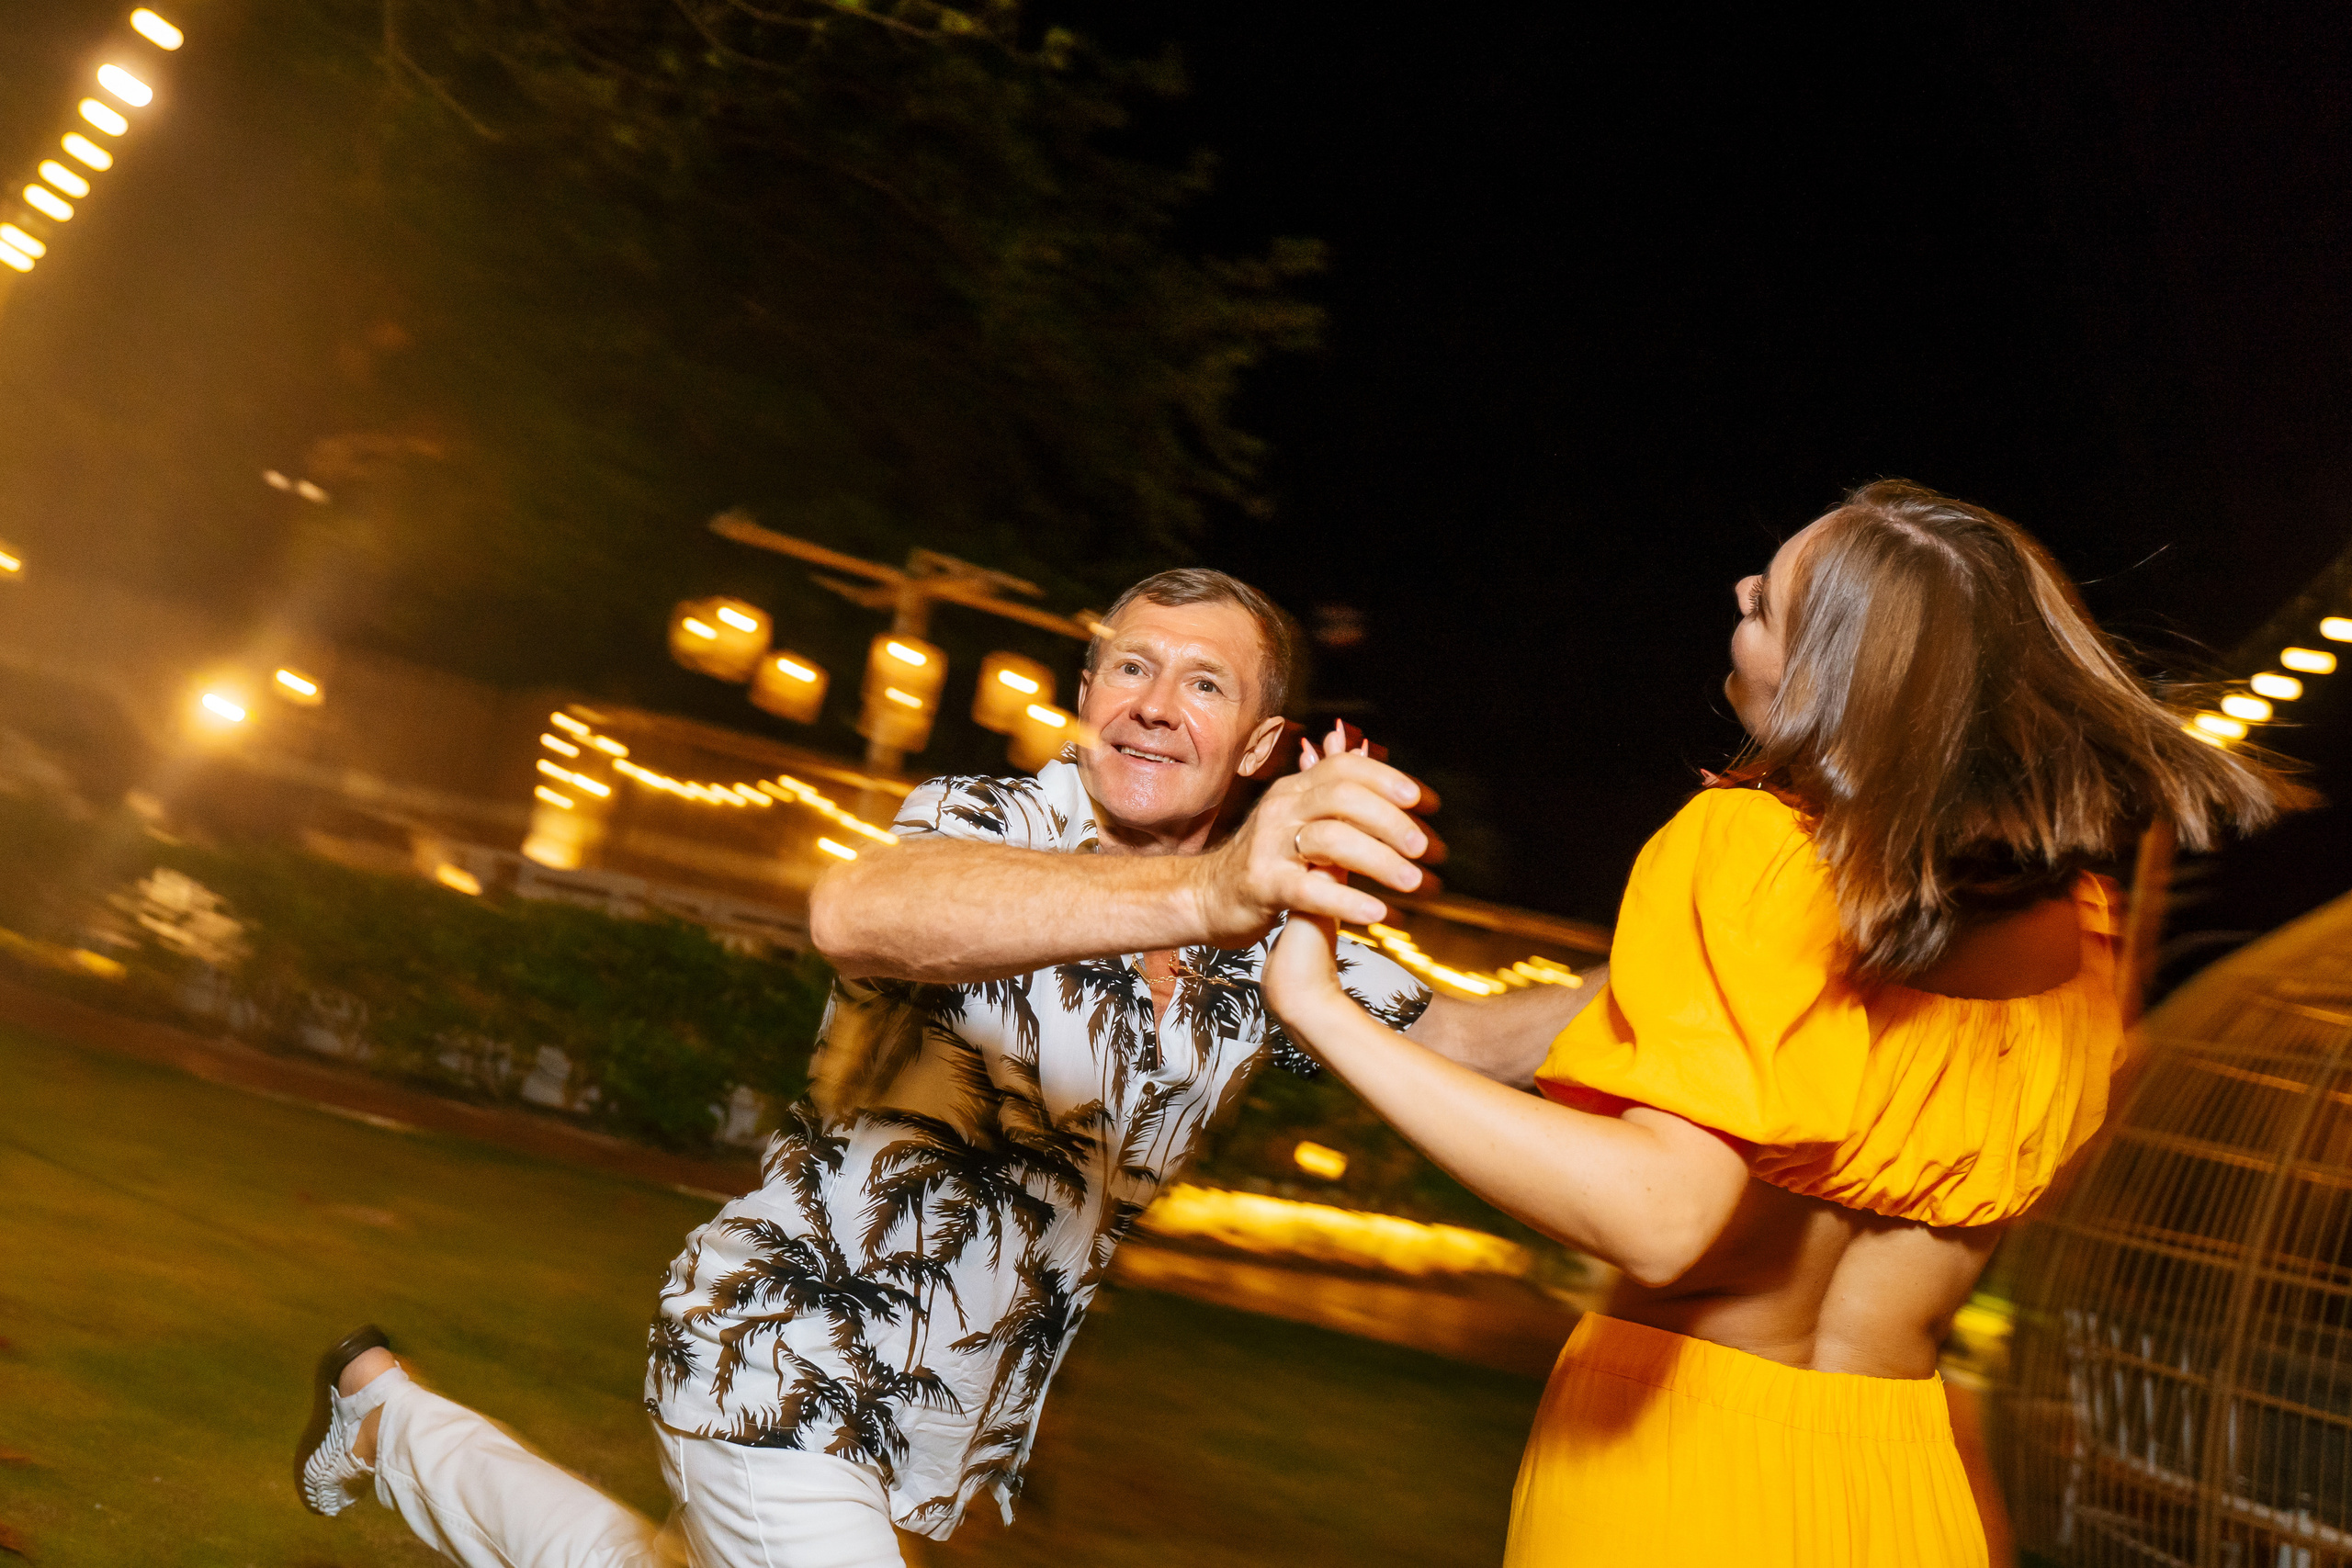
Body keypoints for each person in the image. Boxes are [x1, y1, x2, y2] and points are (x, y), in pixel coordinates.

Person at [295, 567, 1597, 1566]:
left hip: (933, 1414)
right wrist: (1211, 891)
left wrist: (1691, 964)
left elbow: (1456, 1041)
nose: (1154, 699)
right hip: (775, 1348)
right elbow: (862, 911)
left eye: (1205, 682)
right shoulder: (995, 819)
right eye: (1130, 665)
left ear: (1263, 746)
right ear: (1087, 694)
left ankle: (389, 1417)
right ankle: (389, 1419)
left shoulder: (1273, 925)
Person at [1259, 481, 2303, 1566]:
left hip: (1674, 1481)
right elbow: (1691, 1019)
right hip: (1906, 1495)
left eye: (1767, 607)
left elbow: (1660, 1216)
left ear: (1829, 688)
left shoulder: (1746, 848)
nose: (1739, 588)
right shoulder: (2076, 926)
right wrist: (1414, 1007)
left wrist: (1318, 1009)